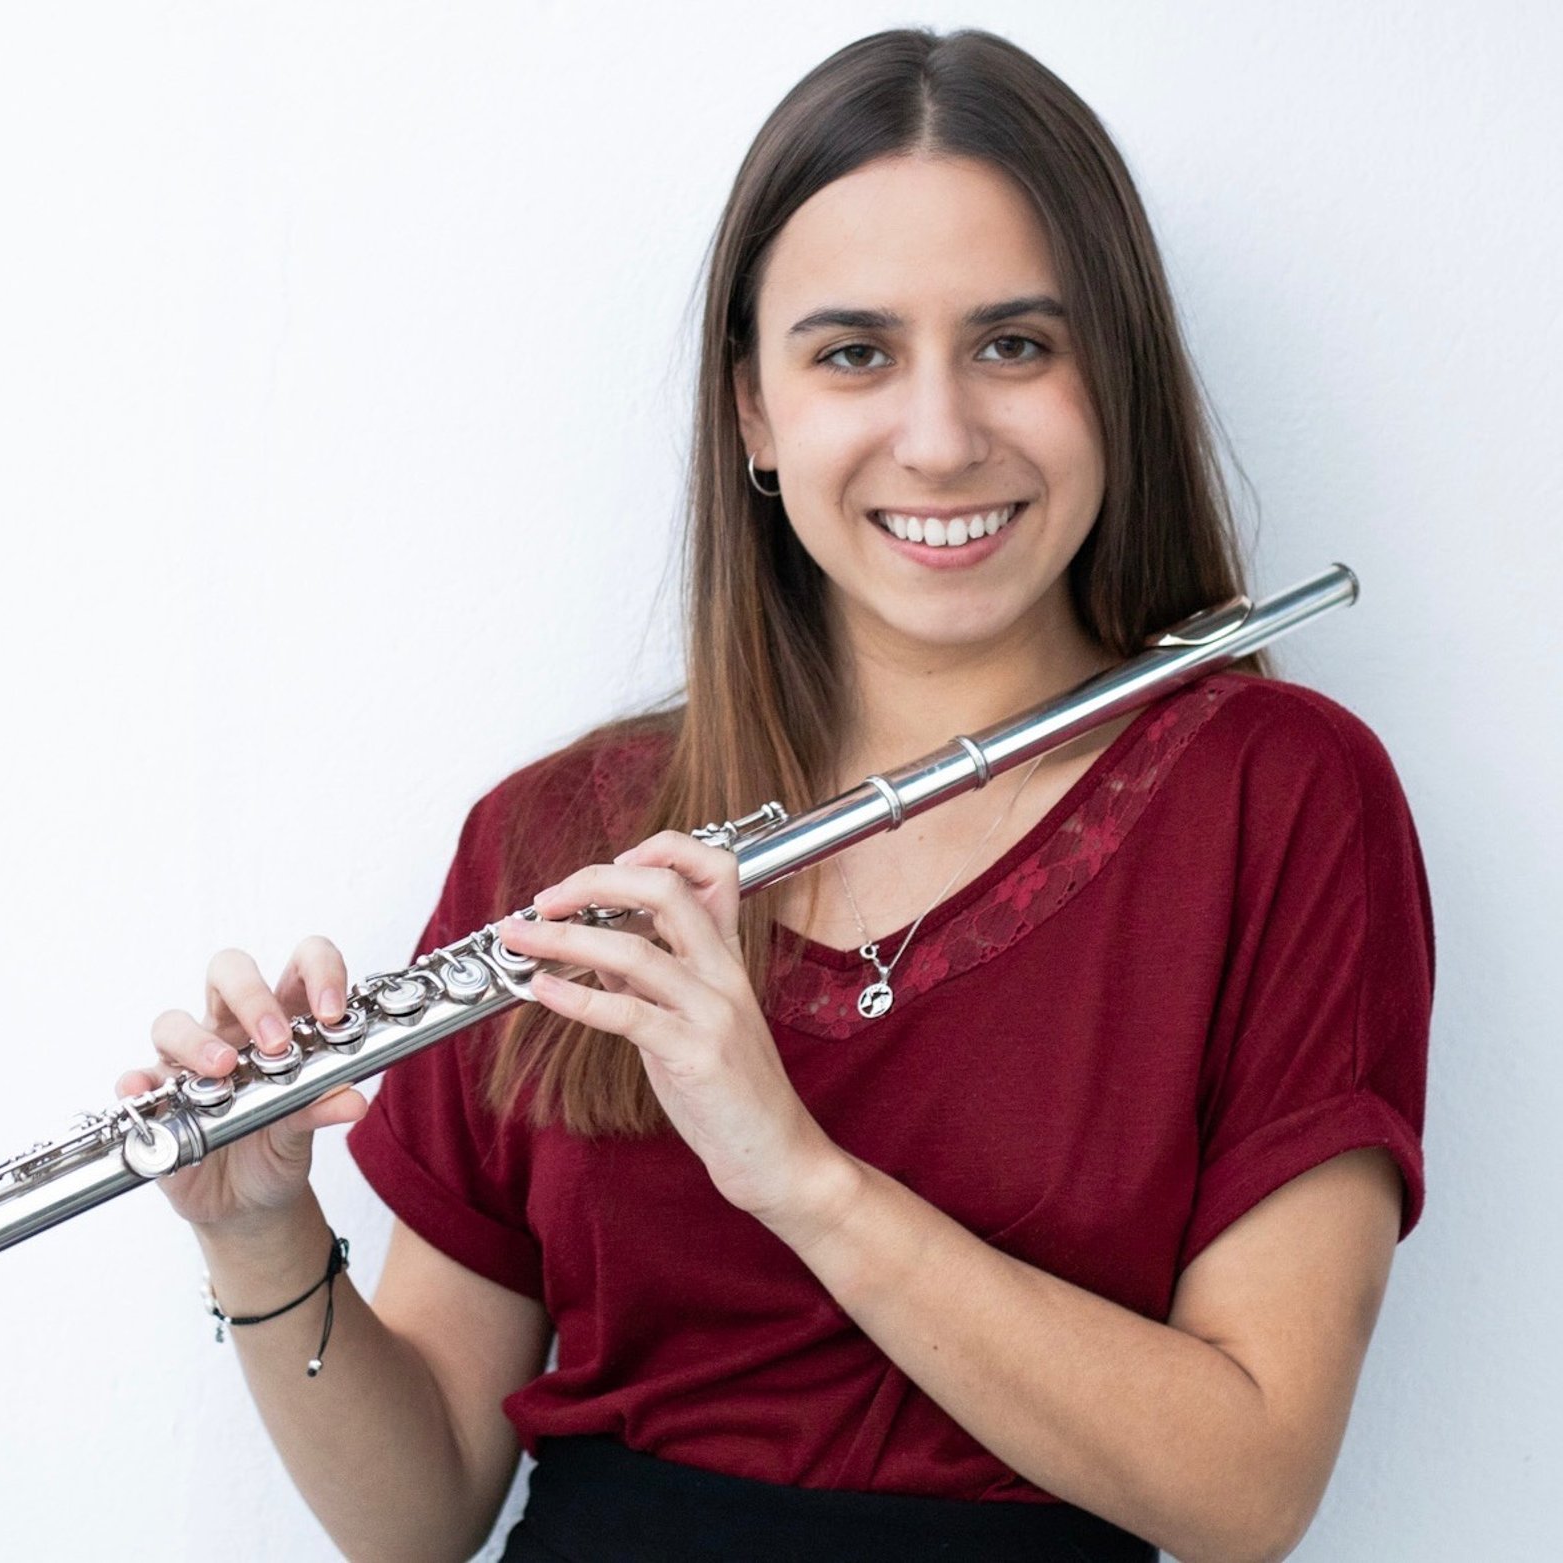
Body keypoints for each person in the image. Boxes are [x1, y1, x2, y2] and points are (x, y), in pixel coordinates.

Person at [119, 26, 1432, 1563]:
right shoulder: (555, 843)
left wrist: (794, 1171)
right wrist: (258, 1232)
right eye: (852, 353)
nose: (939, 440)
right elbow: (416, 1522)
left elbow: (1248, 1487)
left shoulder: (1278, 798)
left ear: (1113, 382)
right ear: (753, 410)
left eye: (1016, 343)